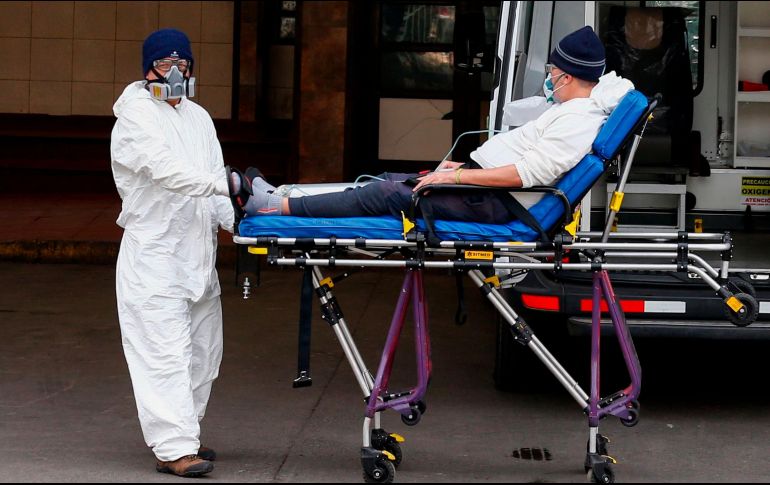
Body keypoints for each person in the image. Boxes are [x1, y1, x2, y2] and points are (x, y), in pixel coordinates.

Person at [231, 26, 634, 224]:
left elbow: (528, 175)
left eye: (551, 71)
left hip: (500, 203)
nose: (548, 79)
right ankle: (282, 193)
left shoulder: (578, 120)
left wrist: (457, 181)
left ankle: (274, 206)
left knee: (386, 194)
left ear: (566, 75)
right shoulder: (572, 112)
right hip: (490, 191)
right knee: (390, 178)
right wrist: (459, 170)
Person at [110, 28, 233, 478]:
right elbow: (168, 172)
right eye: (165, 64)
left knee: (203, 352)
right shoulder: (135, 118)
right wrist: (228, 185)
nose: (175, 72)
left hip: (197, 255)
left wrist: (243, 221)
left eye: (183, 64)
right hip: (155, 256)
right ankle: (173, 448)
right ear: (148, 69)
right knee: (163, 354)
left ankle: (187, 432)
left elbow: (215, 174)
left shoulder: (198, 117)